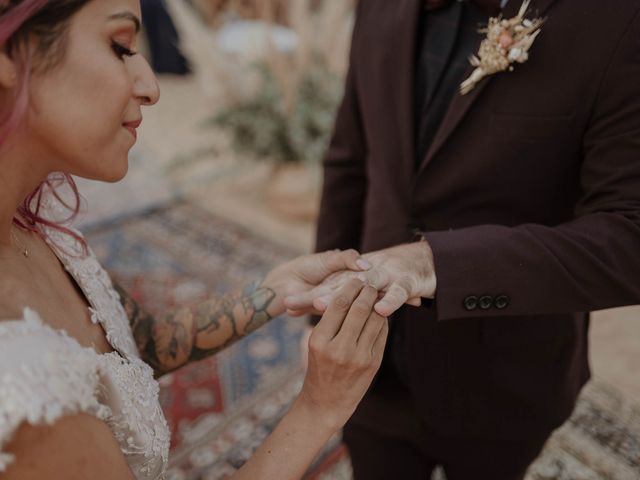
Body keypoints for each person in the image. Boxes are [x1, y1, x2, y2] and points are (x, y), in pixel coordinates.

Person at [0, 1, 388, 479]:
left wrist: (271, 292)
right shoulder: (22, 393)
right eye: (120, 46)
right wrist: (320, 408)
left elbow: (135, 344)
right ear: (9, 55)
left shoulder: (34, 219)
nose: (151, 86)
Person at [284, 0, 640, 478]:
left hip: (503, 381)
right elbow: (351, 158)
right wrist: (320, 319)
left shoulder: (619, 19)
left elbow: (629, 234)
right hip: (369, 371)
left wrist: (436, 263)